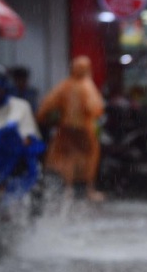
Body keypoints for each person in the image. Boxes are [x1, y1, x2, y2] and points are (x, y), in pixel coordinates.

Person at [37, 56, 105, 201]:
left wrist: (47, 119)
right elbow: (95, 108)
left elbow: (45, 107)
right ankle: (87, 189)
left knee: (68, 159)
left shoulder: (64, 86)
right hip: (84, 130)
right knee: (88, 158)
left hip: (66, 129)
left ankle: (69, 189)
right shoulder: (87, 85)